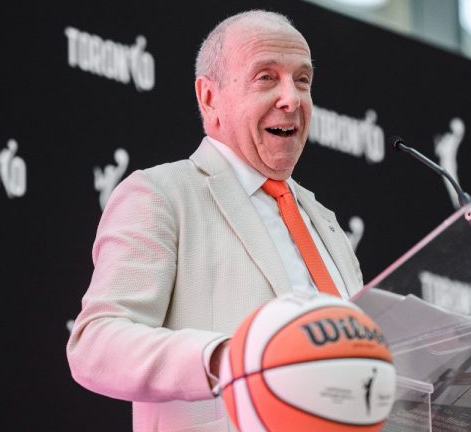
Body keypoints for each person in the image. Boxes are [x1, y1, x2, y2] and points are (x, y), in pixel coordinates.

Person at [67, 10, 363, 432]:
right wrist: (227, 357)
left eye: (302, 80)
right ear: (209, 97)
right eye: (266, 77)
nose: (292, 99)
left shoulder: (325, 223)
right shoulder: (162, 194)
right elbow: (95, 344)